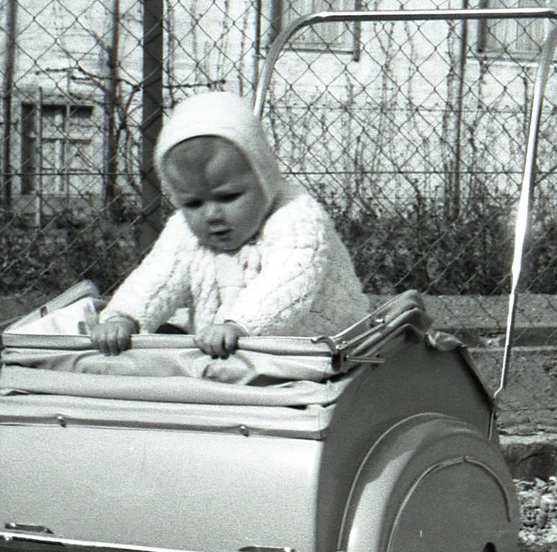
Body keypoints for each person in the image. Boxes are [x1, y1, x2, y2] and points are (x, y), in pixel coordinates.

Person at [91, 91, 369, 359]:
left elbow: (288, 282)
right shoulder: (184, 230)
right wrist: (124, 317)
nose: (211, 214)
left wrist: (240, 324)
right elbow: (156, 277)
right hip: (231, 349)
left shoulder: (295, 215)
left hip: (323, 347)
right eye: (192, 203)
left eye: (229, 197)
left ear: (265, 179)